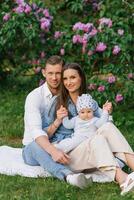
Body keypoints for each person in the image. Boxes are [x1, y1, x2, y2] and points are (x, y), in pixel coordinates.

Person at [55, 62, 134, 195]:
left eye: (72, 77)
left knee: (107, 126)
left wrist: (106, 112)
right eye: (65, 78)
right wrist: (58, 120)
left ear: (81, 78)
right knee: (97, 139)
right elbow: (44, 136)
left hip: (94, 149)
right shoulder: (58, 104)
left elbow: (105, 125)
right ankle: (123, 180)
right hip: (71, 156)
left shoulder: (90, 101)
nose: (68, 82)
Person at [22, 55, 92, 189]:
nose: (54, 78)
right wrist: (53, 151)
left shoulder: (69, 92)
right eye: (50, 73)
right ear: (43, 73)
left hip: (62, 145)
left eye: (58, 73)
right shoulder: (34, 97)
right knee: (35, 146)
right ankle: (69, 176)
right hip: (35, 148)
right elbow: (36, 132)